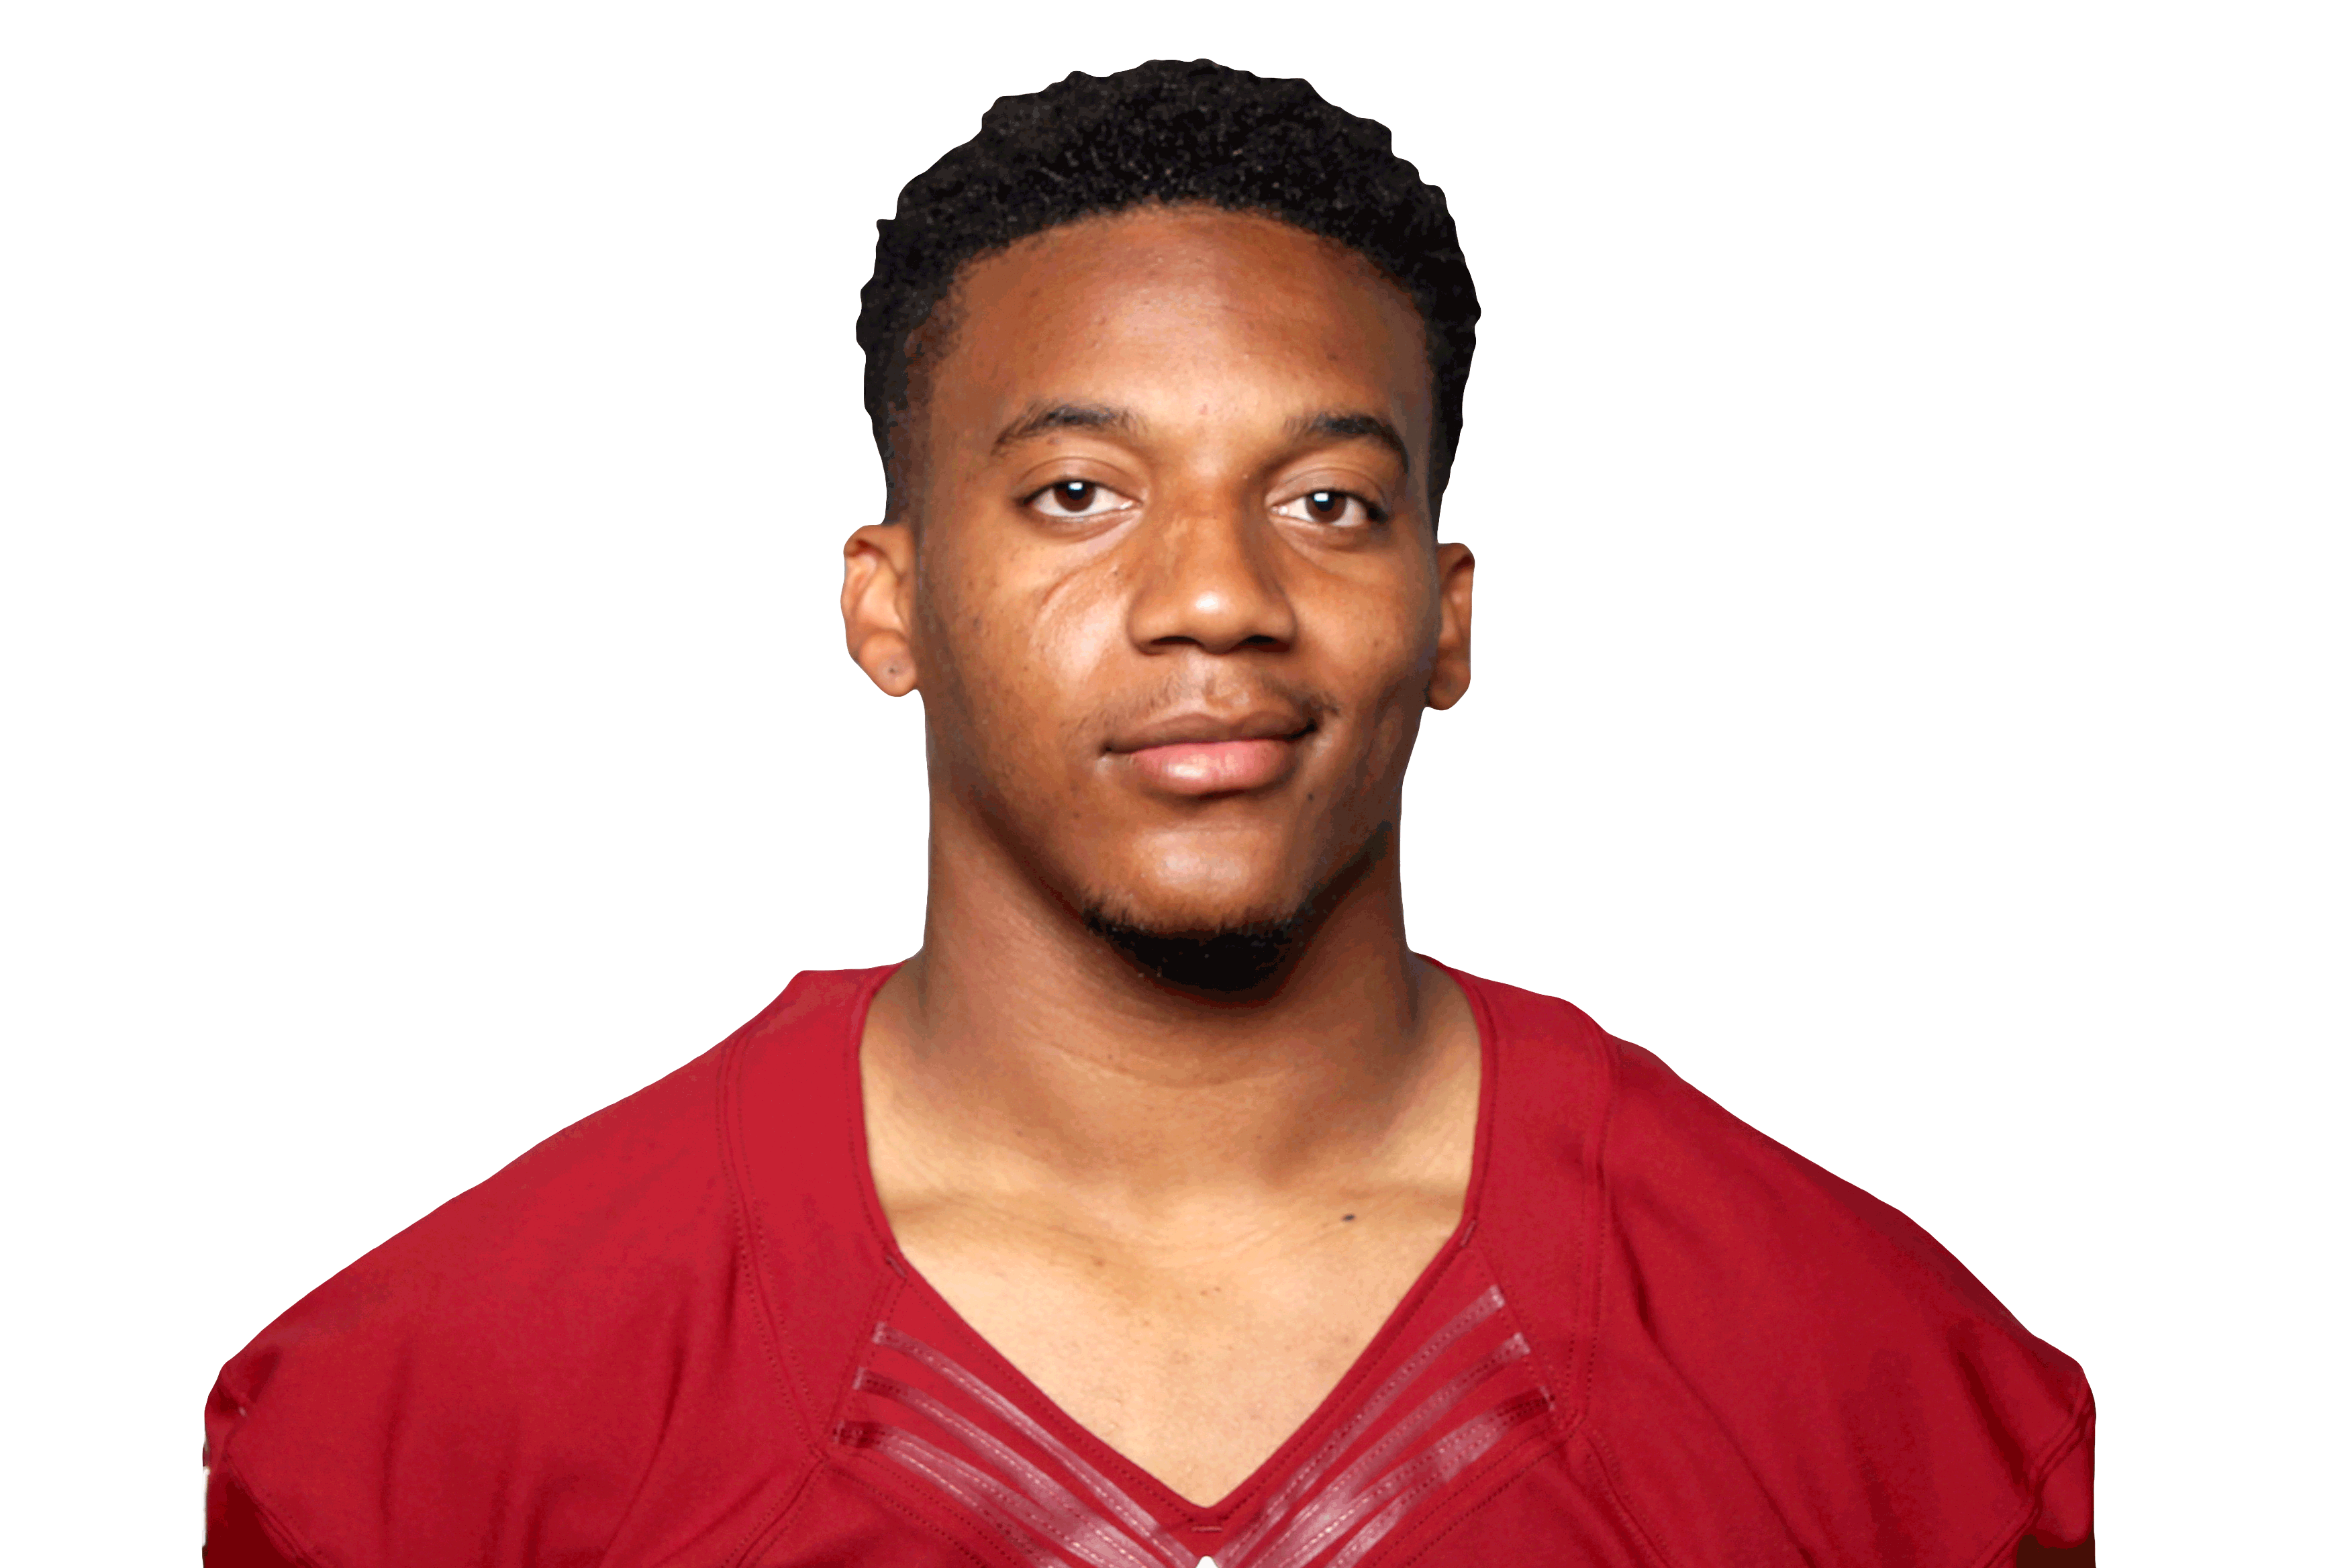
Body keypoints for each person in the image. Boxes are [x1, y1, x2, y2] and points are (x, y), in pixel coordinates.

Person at [204, 59, 2094, 1567]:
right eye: (1078, 495)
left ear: (1445, 617)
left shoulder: (1891, 1407)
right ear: (888, 604)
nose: (1214, 595)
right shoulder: (432, 1426)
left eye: (1329, 503)